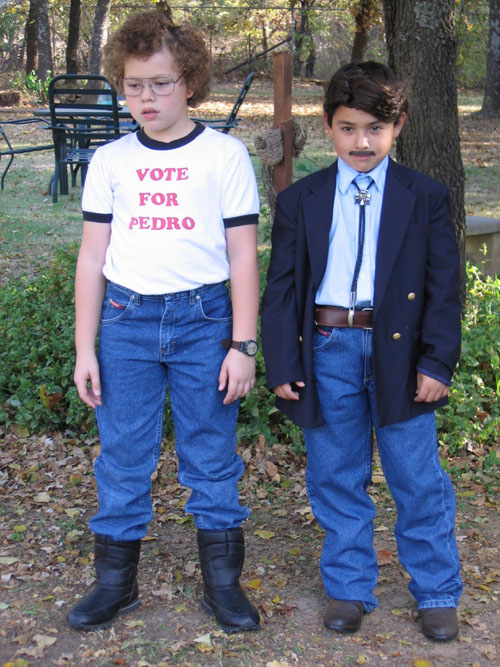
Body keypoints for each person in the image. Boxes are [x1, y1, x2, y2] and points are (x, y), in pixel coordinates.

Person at [68, 9, 260, 635]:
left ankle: (224, 586)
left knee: (210, 453)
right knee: (123, 454)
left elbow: (241, 256)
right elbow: (93, 256)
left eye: (161, 83)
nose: (145, 98)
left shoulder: (224, 156)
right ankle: (115, 585)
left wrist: (243, 344)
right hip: (126, 321)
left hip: (205, 321)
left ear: (191, 81)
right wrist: (85, 348)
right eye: (132, 85)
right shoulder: (111, 161)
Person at [261, 61, 462, 641]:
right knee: (336, 473)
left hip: (399, 354)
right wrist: (285, 362)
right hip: (327, 349)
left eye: (376, 128)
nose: (362, 142)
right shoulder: (301, 199)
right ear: (328, 126)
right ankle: (349, 587)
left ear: (397, 126)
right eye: (348, 128)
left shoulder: (425, 196)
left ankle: (437, 590)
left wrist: (436, 360)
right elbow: (283, 288)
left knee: (416, 475)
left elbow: (445, 289)